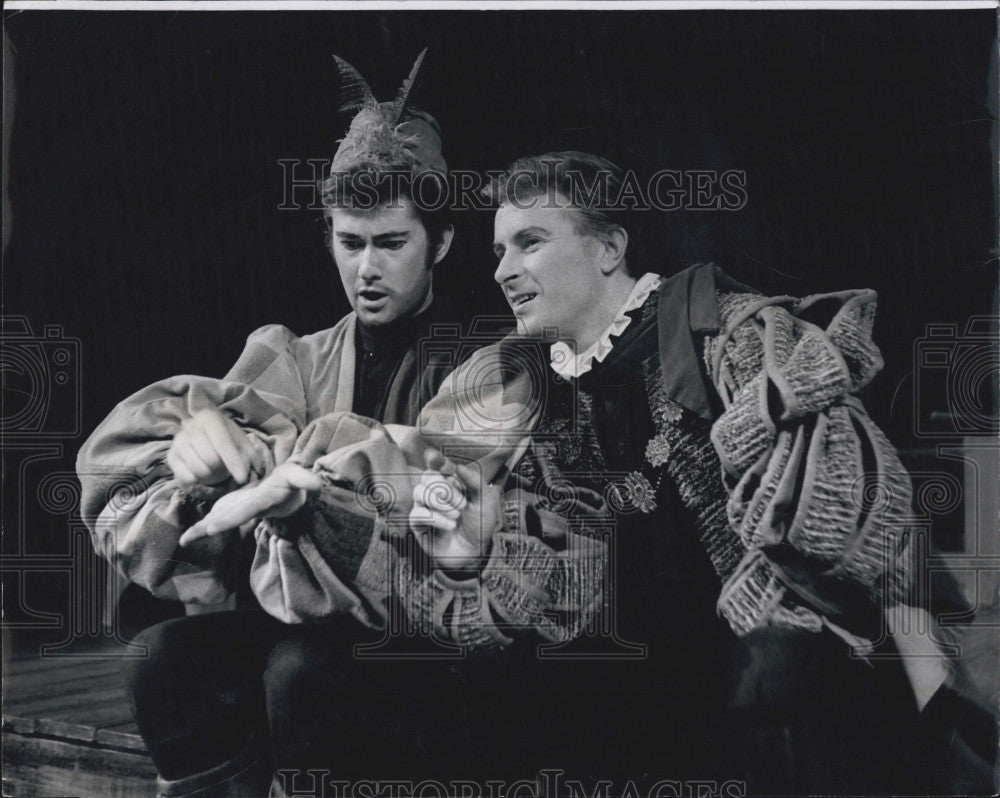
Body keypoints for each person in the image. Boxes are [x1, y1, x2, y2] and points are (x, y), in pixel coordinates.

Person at [200, 150, 996, 795]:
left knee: (774, 674)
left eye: (531, 242)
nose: (505, 268)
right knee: (383, 685)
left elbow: (877, 527)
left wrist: (936, 711)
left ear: (611, 247)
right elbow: (439, 494)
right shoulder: (510, 377)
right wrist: (371, 513)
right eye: (498, 250)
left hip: (749, 658)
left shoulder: (728, 330)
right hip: (599, 659)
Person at [73, 53, 504, 798]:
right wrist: (197, 441)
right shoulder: (295, 359)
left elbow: (443, 515)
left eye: (391, 243)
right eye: (349, 242)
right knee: (157, 659)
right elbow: (171, 434)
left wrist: (290, 477)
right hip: (294, 620)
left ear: (442, 243)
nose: (367, 268)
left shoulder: (479, 367)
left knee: (299, 669)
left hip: (422, 632)